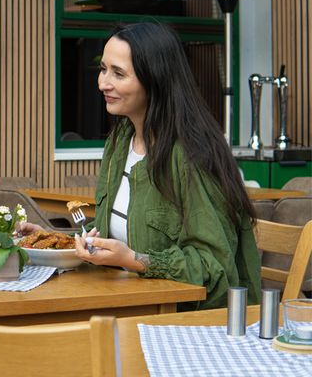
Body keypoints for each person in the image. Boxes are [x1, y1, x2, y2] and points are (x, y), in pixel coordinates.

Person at [33, 22, 260, 309]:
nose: (103, 83)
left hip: (185, 318)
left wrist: (137, 261)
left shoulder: (192, 155)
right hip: (126, 300)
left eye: (118, 73)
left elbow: (215, 267)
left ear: (155, 79)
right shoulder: (120, 140)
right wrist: (50, 240)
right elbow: (109, 233)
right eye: (103, 69)